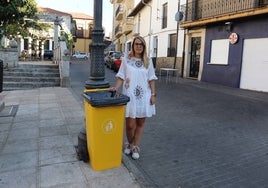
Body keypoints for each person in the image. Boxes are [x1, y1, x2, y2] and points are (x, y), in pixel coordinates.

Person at [110, 36, 157, 160]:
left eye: (141, 44)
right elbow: (121, 76)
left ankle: (135, 146)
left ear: (144, 46)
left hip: (144, 97)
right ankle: (129, 143)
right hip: (129, 96)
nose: (138, 46)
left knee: (140, 123)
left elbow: (151, 78)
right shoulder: (127, 59)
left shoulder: (148, 61)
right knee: (130, 125)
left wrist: (153, 95)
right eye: (136, 44)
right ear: (133, 46)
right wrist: (115, 88)